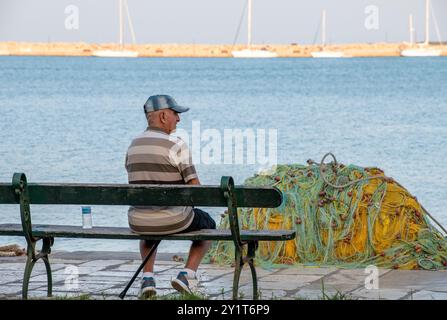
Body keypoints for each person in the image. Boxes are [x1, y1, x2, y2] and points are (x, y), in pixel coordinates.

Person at [124, 94, 216, 299]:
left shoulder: (133, 145)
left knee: (148, 217)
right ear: (164, 116)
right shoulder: (177, 145)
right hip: (174, 220)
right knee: (208, 223)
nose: (179, 119)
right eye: (176, 114)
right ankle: (187, 274)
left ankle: (147, 278)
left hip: (138, 222)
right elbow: (197, 191)